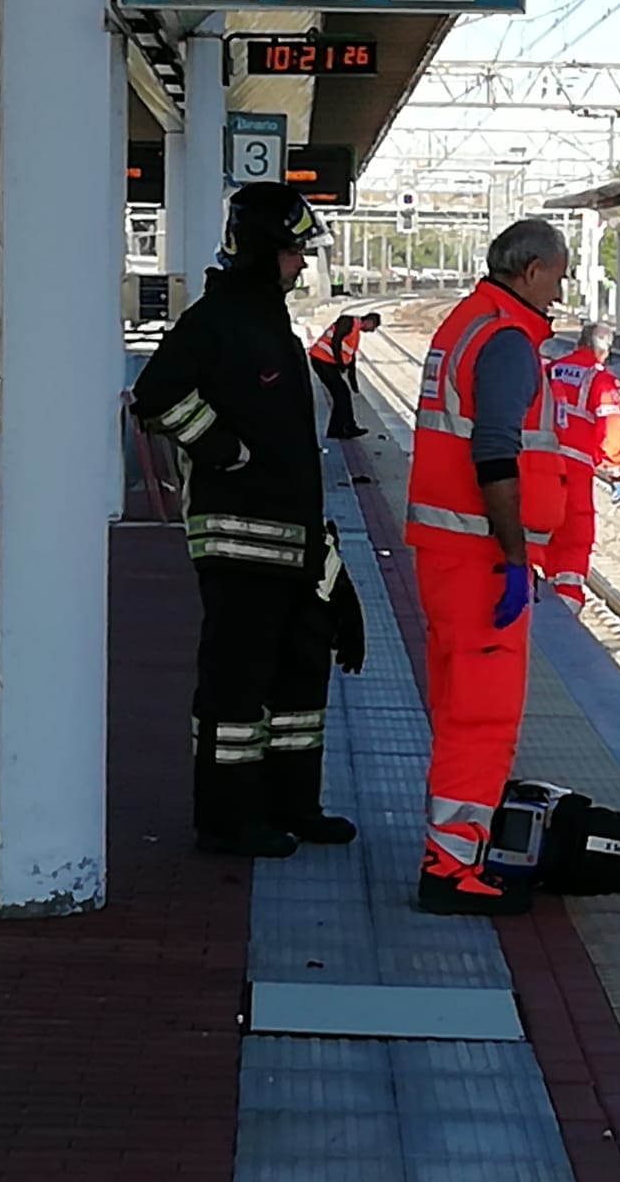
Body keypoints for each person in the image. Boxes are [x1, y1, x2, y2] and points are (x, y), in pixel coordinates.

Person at [131, 181, 365, 859]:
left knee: (298, 679)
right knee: (236, 685)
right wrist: (222, 449)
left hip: (290, 542)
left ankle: (293, 805)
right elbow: (156, 396)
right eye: (293, 250)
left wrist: (328, 563)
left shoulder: (267, 321)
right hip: (237, 543)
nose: (300, 263)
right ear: (265, 250)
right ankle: (228, 819)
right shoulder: (218, 318)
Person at [405, 218, 570, 916]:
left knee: (457, 706)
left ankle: (450, 850)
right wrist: (512, 557)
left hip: (449, 552)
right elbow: (495, 454)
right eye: (558, 277)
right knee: (482, 716)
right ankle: (451, 866)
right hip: (479, 558)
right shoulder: (505, 340)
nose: (561, 292)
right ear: (531, 271)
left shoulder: (467, 323)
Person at [544, 322, 620, 614]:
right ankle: (564, 608)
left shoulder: (552, 369)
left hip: (540, 463)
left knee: (543, 530)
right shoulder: (599, 378)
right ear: (604, 350)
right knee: (574, 538)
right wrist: (615, 469)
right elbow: (610, 428)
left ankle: (541, 595)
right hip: (575, 468)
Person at [309, 310, 381, 439]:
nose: (372, 331)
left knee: (342, 395)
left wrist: (353, 381)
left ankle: (342, 428)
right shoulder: (347, 321)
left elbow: (351, 358)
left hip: (327, 363)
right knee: (341, 395)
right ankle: (344, 428)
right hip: (321, 360)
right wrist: (340, 364)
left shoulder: (355, 333)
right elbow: (336, 341)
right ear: (370, 322)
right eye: (373, 328)